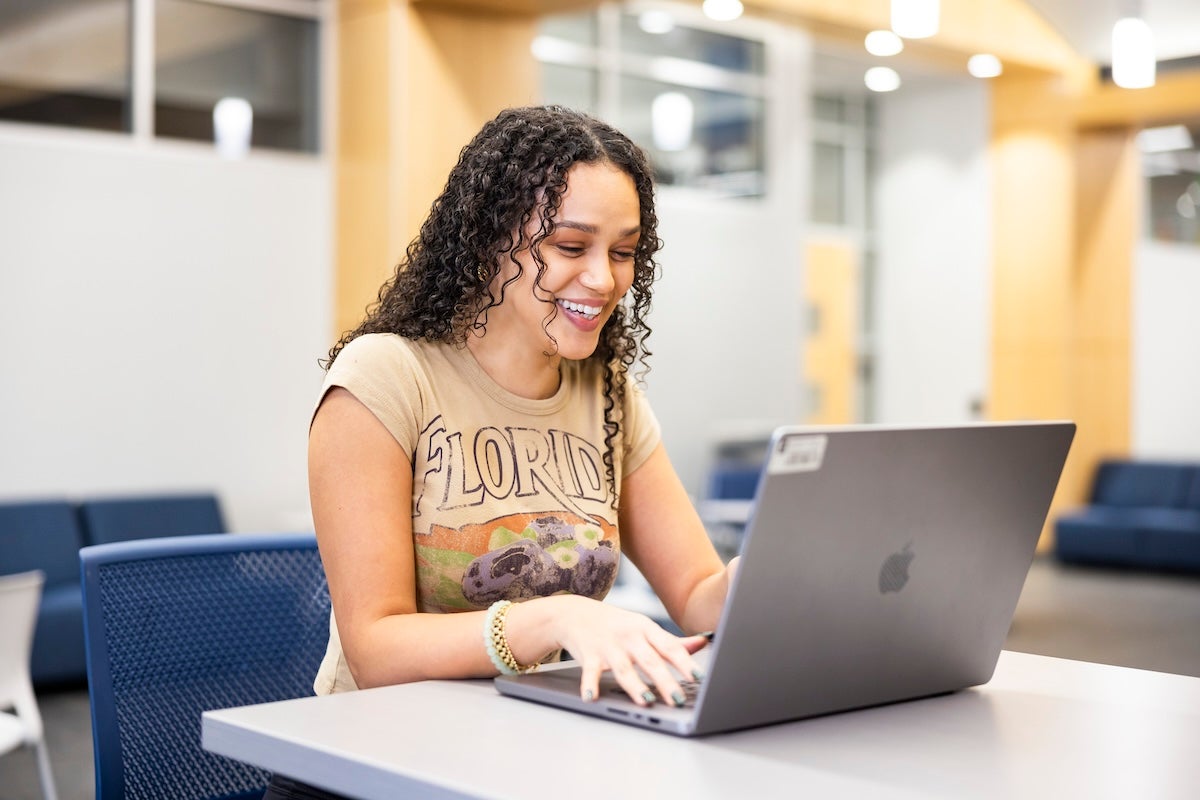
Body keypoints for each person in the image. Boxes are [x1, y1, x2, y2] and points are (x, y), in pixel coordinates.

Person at [266, 105, 738, 799]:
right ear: (491, 240)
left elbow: (699, 597)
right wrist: (555, 617)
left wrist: (783, 569)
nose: (605, 281)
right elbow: (375, 648)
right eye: (572, 247)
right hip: (374, 770)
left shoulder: (608, 394)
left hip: (528, 758)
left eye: (623, 251)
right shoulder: (385, 378)